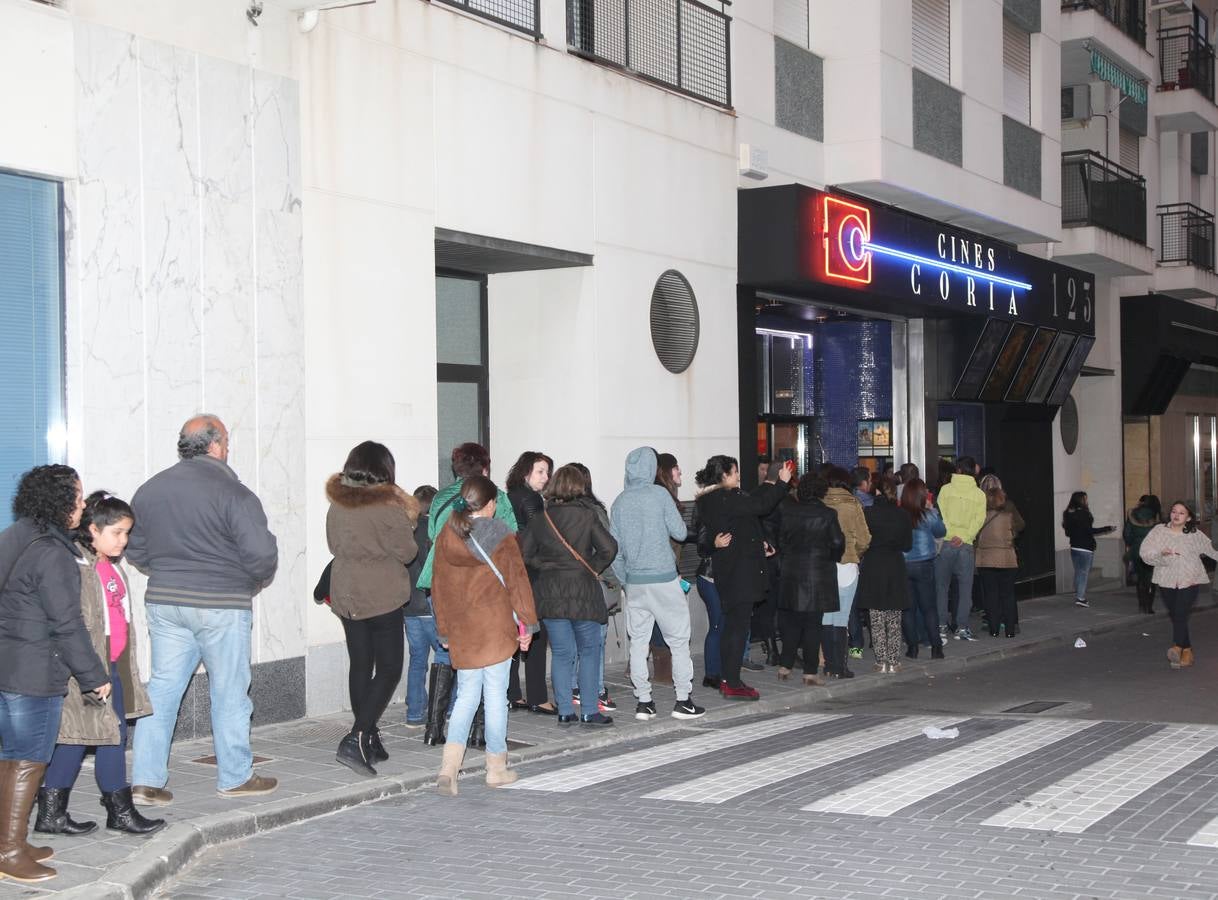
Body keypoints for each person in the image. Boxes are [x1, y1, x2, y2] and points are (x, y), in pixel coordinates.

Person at [129, 415, 279, 803]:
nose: (228, 449)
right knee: (229, 691)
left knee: (161, 690)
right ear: (215, 445)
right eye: (226, 441)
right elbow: (262, 556)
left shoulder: (150, 490)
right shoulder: (234, 493)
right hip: (221, 605)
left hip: (165, 602)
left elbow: (135, 545)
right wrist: (244, 584)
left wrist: (161, 570)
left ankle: (146, 780)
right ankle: (234, 776)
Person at [0, 466, 110, 883]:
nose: (82, 505)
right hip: (33, 672)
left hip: (7, 665)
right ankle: (9, 852)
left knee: (11, 757)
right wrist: (92, 674)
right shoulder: (53, 552)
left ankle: (10, 839)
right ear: (58, 501)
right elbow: (67, 623)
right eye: (78, 498)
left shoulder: (15, 536)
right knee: (29, 760)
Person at [37, 492, 164, 839]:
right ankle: (110, 811)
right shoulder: (78, 566)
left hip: (113, 665)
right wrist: (92, 672)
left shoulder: (110, 565)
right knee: (90, 737)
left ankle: (56, 812)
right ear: (92, 529)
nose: (123, 540)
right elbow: (72, 624)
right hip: (90, 671)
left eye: (127, 533)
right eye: (117, 533)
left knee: (101, 736)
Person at [431, 476, 538, 795]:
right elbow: (518, 582)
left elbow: (439, 588)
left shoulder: (446, 535)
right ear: (490, 504)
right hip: (495, 628)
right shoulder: (500, 534)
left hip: (463, 630)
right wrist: (527, 625)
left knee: (465, 697)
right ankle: (496, 768)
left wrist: (445, 630)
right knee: (494, 697)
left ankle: (449, 768)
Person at [325, 441, 419, 777]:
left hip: (346, 591)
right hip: (381, 593)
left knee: (361, 665)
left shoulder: (338, 504)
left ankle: (370, 735)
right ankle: (356, 737)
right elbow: (407, 552)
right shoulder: (387, 507)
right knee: (391, 667)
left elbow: (333, 545)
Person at [416, 443, 518, 747]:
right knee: (487, 655)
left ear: (456, 467)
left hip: (440, 580)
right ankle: (478, 731)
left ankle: (434, 728)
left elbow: (434, 535)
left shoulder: (441, 498)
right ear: (484, 467)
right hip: (482, 587)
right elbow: (509, 537)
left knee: (447, 650)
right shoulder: (495, 497)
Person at [610, 448, 704, 721]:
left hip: (636, 583)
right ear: (652, 469)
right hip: (663, 579)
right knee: (678, 641)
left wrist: (626, 581)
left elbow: (614, 551)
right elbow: (679, 532)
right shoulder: (660, 494)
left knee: (638, 643)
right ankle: (683, 700)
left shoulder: (619, 502)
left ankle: (644, 703)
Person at [521, 465, 618, 726]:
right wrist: (591, 567)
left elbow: (524, 553)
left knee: (562, 653)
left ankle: (564, 710)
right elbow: (609, 548)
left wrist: (545, 566)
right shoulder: (587, 516)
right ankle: (589, 710)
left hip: (550, 593)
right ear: (578, 487)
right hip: (582, 591)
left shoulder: (541, 518)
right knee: (589, 650)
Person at [694, 454, 792, 700]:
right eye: (735, 471)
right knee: (736, 629)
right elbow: (760, 506)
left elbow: (745, 519)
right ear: (725, 474)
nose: (739, 476)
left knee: (732, 627)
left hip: (732, 570)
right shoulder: (726, 498)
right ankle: (732, 682)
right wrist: (781, 484)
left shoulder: (717, 499)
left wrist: (759, 544)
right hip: (739, 574)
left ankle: (730, 678)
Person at [776, 473, 844, 685]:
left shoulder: (788, 512)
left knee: (792, 623)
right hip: (818, 573)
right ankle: (810, 672)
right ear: (822, 491)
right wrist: (829, 558)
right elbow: (837, 542)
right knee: (813, 625)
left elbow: (781, 541)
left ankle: (785, 666)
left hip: (792, 572)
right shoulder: (828, 514)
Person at [505, 451, 556, 714]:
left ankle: (512, 694)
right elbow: (541, 538)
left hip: (509, 573)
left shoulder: (507, 496)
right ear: (526, 472)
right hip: (532, 574)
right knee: (535, 633)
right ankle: (537, 696)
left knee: (513, 632)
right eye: (540, 471)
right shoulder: (532, 499)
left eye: (548, 472)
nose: (546, 478)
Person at [1139, 501, 1218, 669]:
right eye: (1174, 511)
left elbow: (1212, 550)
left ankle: (1177, 647)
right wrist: (1161, 553)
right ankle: (1187, 651)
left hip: (1190, 579)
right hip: (1166, 579)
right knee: (1177, 615)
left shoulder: (1195, 534)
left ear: (1188, 517)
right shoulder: (1159, 531)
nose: (1176, 515)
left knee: (1181, 613)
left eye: (1181, 513)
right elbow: (1145, 553)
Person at [568, 462, 619, 714]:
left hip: (567, 585)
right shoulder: (594, 511)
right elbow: (608, 547)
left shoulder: (554, 511)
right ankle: (596, 690)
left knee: (572, 642)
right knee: (595, 641)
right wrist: (597, 570)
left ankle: (574, 688)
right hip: (594, 582)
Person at [856, 475, 912, 673]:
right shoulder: (903, 515)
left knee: (877, 616)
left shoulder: (868, 513)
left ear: (876, 490)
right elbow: (908, 545)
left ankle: (880, 661)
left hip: (873, 565)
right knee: (894, 615)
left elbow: (862, 540)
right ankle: (894, 661)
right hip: (895, 565)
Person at [821, 466, 872, 678]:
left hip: (824, 566)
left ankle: (828, 664)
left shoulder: (819, 503)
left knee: (826, 618)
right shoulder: (853, 503)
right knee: (842, 619)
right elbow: (865, 538)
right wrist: (856, 554)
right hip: (848, 565)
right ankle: (840, 667)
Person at [404, 485, 445, 737]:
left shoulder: (406, 532)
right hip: (431, 606)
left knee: (417, 660)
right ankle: (445, 710)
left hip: (409, 608)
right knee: (444, 657)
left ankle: (414, 714)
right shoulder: (434, 532)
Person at [934, 455, 985, 641]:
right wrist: (964, 537)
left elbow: (940, 515)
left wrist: (950, 534)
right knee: (965, 589)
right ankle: (962, 627)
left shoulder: (946, 490)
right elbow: (979, 520)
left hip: (946, 544)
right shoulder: (979, 494)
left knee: (941, 587)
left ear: (958, 470)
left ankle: (940, 626)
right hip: (966, 545)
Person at [900, 478, 945, 660]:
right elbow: (941, 532)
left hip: (904, 564)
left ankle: (912, 648)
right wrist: (932, 509)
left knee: (908, 609)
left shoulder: (900, 514)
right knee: (929, 608)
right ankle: (936, 648)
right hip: (925, 564)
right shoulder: (928, 515)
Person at [975, 487, 1024, 637]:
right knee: (1008, 595)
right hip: (1006, 559)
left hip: (986, 560)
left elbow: (975, 536)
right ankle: (1010, 630)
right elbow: (1020, 527)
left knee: (991, 595)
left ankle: (994, 629)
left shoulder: (980, 517)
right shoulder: (1008, 517)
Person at [1062, 491, 1114, 608]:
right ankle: (1080, 598)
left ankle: (1078, 593)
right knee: (1084, 573)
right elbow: (1089, 531)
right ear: (1081, 500)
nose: (1087, 501)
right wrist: (1107, 528)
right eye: (1085, 499)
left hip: (1074, 547)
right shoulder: (1084, 514)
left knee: (1078, 571)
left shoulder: (1068, 513)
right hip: (1085, 548)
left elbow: (1067, 532)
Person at [1123, 495, 1160, 614]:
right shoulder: (1156, 515)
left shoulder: (1132, 514)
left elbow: (1127, 534)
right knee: (1150, 579)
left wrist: (1131, 543)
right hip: (1151, 551)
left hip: (1136, 549)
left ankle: (1141, 604)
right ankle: (1149, 606)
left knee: (1140, 578)